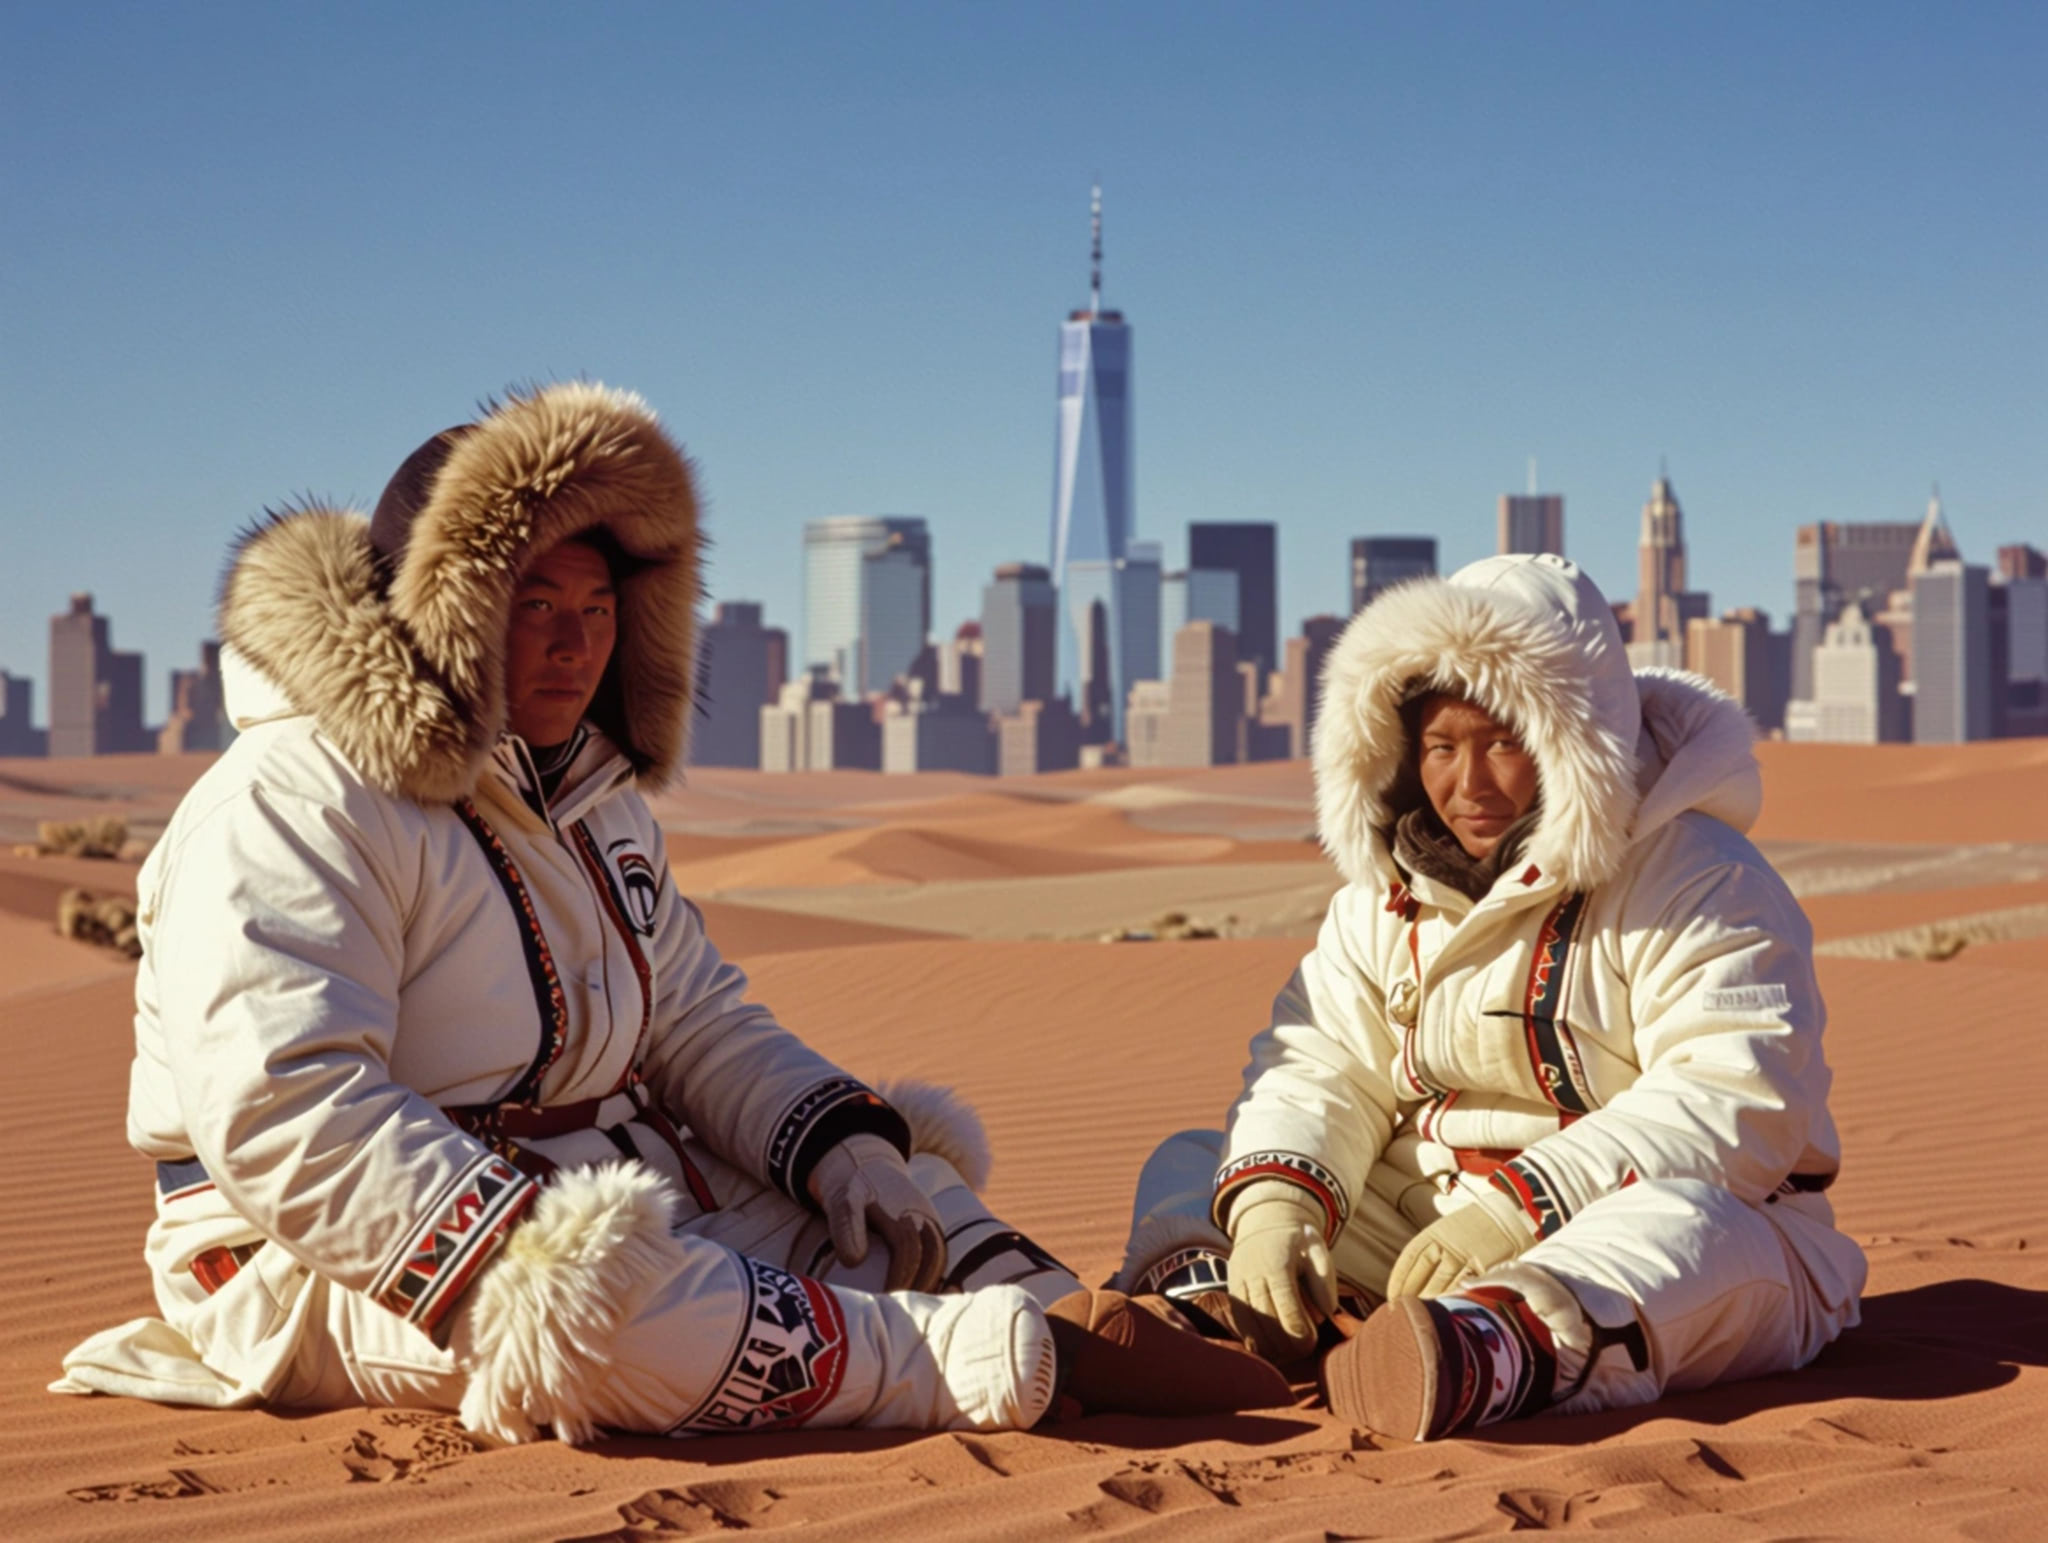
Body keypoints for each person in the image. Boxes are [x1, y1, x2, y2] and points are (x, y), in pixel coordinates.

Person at [56, 383, 1284, 1441]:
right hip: (319, 1254)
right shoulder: (292, 797)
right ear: (441, 608)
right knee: (618, 1327)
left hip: (615, 1175)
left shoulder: (590, 794)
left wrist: (842, 1147)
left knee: (908, 1206)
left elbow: (690, 1018)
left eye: (596, 612)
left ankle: (1085, 1316)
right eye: (532, 604)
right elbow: (290, 1104)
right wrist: (523, 1268)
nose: (571, 645)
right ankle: (1008, 1363)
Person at [1111, 553, 1865, 1441]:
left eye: (1502, 741)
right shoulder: (1383, 897)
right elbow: (1322, 1065)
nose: (1468, 784)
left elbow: (1735, 1095)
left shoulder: (1701, 879)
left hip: (1656, 1225)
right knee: (1204, 1162)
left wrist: (1516, 1207)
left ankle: (1483, 1350)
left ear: (1572, 739)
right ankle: (1220, 1324)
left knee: (1683, 1234)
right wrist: (1281, 1213)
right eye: (1440, 746)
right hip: (1421, 1231)